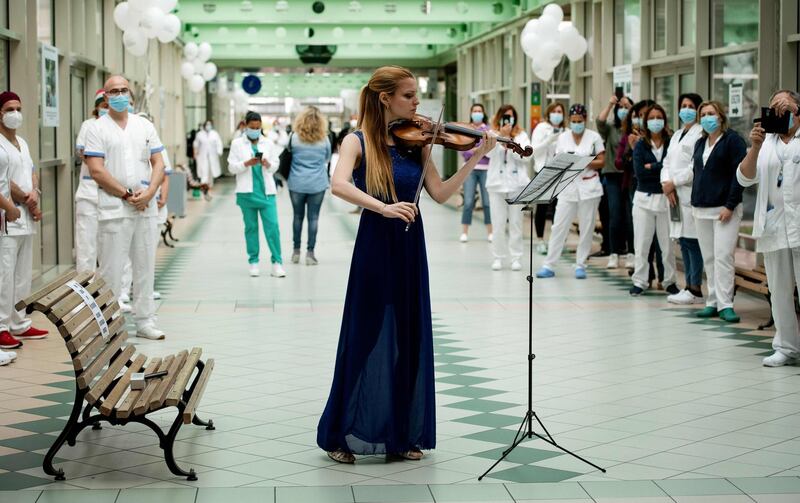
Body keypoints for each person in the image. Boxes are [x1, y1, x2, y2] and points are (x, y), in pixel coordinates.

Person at [317, 65, 496, 464]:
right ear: (386, 98)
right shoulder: (356, 140)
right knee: (363, 336)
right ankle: (338, 433)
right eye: (410, 96)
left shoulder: (417, 143)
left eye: (416, 96)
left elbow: (441, 194)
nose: (418, 104)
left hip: (411, 245)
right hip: (375, 246)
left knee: (410, 338)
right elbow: (339, 184)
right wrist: (383, 207)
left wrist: (474, 157)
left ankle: (402, 432)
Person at [84, 76, 167, 340]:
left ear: (130, 94)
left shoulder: (144, 125)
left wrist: (150, 193)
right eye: (114, 91)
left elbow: (159, 163)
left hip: (145, 206)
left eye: (123, 90)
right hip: (114, 208)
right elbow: (96, 170)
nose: (119, 95)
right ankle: (110, 328)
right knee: (111, 271)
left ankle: (145, 321)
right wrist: (126, 194)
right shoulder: (97, 128)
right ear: (105, 97)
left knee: (145, 266)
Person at [738, 90, 800, 366]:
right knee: (779, 289)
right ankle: (786, 347)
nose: (779, 110)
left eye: (785, 105)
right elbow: (744, 179)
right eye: (774, 106)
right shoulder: (765, 143)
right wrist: (755, 146)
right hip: (775, 226)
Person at [0, 91, 48, 355]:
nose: (15, 113)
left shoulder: (22, 142)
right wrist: (23, 199)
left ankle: (19, 322)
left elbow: (31, 171)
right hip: (8, 216)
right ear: (0, 113)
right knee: (4, 276)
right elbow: (5, 182)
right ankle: (1, 326)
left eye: (18, 108)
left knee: (22, 276)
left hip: (25, 216)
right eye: (9, 108)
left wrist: (34, 196)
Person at [691, 101, 747, 323]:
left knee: (724, 256)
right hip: (701, 208)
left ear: (721, 116)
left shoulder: (733, 141)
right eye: (703, 114)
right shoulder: (700, 142)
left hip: (725, 209)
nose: (707, 117)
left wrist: (730, 205)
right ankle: (712, 301)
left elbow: (740, 175)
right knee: (710, 258)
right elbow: (697, 173)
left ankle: (726, 305)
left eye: (711, 113)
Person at [537, 104, 605, 279]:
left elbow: (602, 161)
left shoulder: (594, 137)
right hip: (567, 188)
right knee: (559, 226)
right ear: (569, 121)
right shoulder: (563, 137)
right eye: (574, 121)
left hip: (589, 188)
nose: (577, 124)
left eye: (580, 121)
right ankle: (549, 265)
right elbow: (559, 159)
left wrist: (584, 162)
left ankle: (580, 265)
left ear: (585, 119)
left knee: (586, 227)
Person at [629, 104, 679, 296]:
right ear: (646, 122)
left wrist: (653, 166)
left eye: (659, 117)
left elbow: (673, 168)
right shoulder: (640, 145)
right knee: (642, 243)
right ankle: (640, 281)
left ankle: (669, 281)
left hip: (666, 199)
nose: (656, 121)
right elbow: (640, 173)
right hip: (643, 200)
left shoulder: (671, 142)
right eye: (652, 118)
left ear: (664, 121)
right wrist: (658, 167)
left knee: (666, 246)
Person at [228, 111, 285, 278]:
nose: (255, 130)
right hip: (246, 194)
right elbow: (231, 167)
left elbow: (276, 165)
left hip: (267, 193)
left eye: (258, 127)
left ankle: (277, 262)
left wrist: (267, 163)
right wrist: (246, 163)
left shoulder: (268, 143)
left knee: (273, 228)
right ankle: (253, 262)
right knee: (251, 228)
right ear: (245, 126)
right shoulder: (237, 144)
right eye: (252, 127)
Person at [661, 93, 705, 304]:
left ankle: (694, 287)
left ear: (697, 110)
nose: (686, 109)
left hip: (687, 194)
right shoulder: (677, 134)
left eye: (690, 106)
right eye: (683, 105)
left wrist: (674, 183)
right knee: (682, 240)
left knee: (692, 241)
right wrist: (666, 185)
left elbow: (694, 167)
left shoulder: (700, 134)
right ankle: (687, 285)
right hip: (674, 196)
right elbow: (667, 162)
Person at [486, 104, 531, 271]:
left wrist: (510, 143)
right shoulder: (491, 134)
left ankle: (516, 257)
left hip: (517, 184)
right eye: (505, 116)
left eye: (511, 116)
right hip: (496, 185)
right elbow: (487, 154)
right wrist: (501, 138)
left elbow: (526, 157)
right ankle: (498, 257)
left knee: (516, 223)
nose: (508, 119)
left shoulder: (522, 135)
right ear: (499, 117)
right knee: (497, 223)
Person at [288, 106, 331, 266]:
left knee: (297, 217)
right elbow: (327, 159)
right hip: (317, 183)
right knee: (313, 218)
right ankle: (310, 253)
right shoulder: (324, 139)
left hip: (296, 183)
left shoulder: (294, 137)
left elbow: (289, 154)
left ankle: (295, 251)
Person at [597, 93, 634, 269]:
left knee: (630, 215)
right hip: (612, 175)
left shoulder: (634, 130)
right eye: (622, 108)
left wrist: (630, 106)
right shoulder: (611, 128)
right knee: (615, 214)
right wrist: (611, 104)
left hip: (630, 176)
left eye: (626, 108)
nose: (623, 111)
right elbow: (600, 121)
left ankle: (631, 252)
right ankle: (614, 252)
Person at [74, 89, 109, 274]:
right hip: (88, 194)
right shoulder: (88, 126)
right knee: (86, 247)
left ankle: (108, 294)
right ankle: (84, 294)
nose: (107, 109)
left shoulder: (115, 127)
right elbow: (83, 153)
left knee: (108, 248)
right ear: (96, 108)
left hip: (110, 196)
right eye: (103, 106)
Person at [530, 102, 566, 254]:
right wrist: (548, 140)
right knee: (542, 207)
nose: (557, 114)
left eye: (560, 111)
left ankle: (557, 241)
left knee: (559, 208)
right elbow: (533, 150)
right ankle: (540, 239)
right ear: (549, 113)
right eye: (555, 111)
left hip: (560, 172)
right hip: (543, 171)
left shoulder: (566, 131)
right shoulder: (541, 128)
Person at [459, 103, 492, 243]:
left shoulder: (488, 130)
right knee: (468, 202)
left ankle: (490, 232)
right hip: (470, 169)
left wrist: (476, 150)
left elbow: (490, 150)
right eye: (475, 111)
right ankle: (464, 232)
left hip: (485, 170)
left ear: (483, 113)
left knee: (487, 202)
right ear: (471, 113)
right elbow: (463, 150)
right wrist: (478, 151)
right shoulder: (467, 129)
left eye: (480, 111)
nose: (477, 113)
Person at [193, 119, 222, 197]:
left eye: (209, 124)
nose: (208, 126)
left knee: (211, 171)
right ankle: (204, 185)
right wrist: (195, 153)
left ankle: (209, 185)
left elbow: (219, 143)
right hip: (202, 156)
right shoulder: (199, 134)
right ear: (204, 125)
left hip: (213, 156)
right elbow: (195, 144)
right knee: (203, 170)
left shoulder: (215, 134)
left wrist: (219, 151)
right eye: (207, 124)